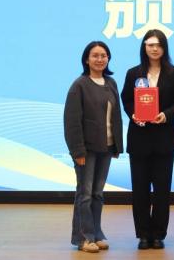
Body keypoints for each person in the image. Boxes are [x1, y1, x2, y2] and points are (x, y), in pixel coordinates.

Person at [120, 29, 174, 250]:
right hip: (139, 138)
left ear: (164, 48)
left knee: (162, 190)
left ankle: (158, 234)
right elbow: (127, 100)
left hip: (164, 138)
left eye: (158, 45)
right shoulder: (133, 73)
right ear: (144, 47)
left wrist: (166, 115)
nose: (154, 49)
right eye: (150, 45)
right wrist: (133, 114)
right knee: (139, 190)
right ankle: (142, 234)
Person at [64, 41, 124, 253]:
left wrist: (117, 146)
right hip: (86, 150)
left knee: (98, 194)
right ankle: (83, 238)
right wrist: (77, 151)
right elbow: (72, 122)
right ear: (86, 59)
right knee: (85, 194)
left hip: (105, 147)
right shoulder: (79, 85)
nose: (100, 59)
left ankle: (96, 233)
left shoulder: (111, 83)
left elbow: (116, 117)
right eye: (95, 55)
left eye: (103, 55)